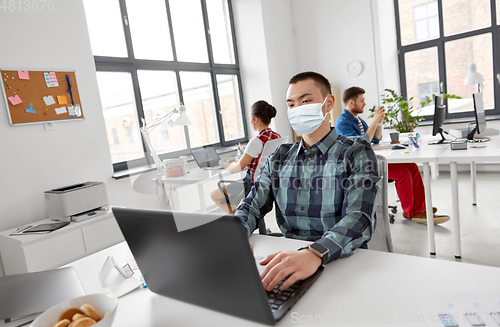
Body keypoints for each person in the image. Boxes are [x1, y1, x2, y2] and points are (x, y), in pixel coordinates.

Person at [234, 72, 380, 292]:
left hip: (339, 263)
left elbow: (359, 217)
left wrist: (314, 253)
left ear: (328, 102)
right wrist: (237, 234)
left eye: (306, 101)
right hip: (290, 262)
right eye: (291, 104)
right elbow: (251, 204)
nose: (298, 109)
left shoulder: (356, 150)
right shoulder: (279, 156)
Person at [335, 86, 450, 224]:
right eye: (362, 101)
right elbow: (362, 142)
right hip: (360, 166)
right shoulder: (342, 123)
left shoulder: (357, 120)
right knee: (402, 174)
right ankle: (410, 212)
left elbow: (375, 139)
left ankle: (419, 209)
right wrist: (374, 121)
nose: (364, 103)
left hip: (369, 159)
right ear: (352, 102)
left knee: (412, 167)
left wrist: (379, 122)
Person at [210, 100, 280, 214]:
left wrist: (222, 163)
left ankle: (239, 219)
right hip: (269, 184)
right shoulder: (276, 137)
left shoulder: (256, 141)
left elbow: (237, 168)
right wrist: (239, 160)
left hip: (252, 185)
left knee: (215, 195)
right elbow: (260, 160)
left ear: (255, 119)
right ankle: (241, 217)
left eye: (250, 118)